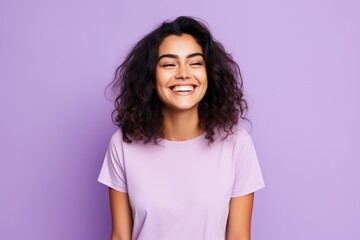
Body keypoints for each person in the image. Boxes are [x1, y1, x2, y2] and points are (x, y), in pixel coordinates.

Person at [98, 16, 265, 240]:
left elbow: (239, 236)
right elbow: (120, 236)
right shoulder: (123, 143)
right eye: (169, 64)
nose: (183, 74)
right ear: (150, 76)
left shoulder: (236, 143)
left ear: (210, 74)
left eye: (195, 63)